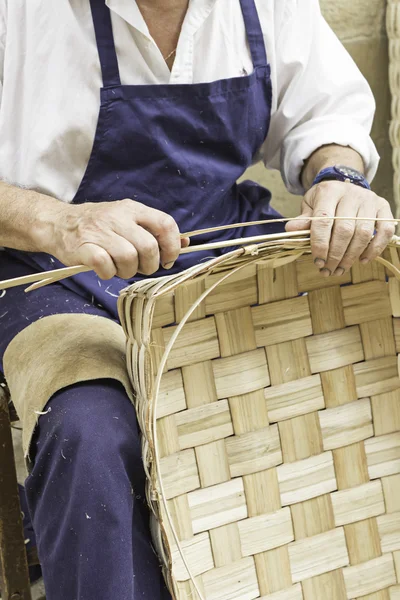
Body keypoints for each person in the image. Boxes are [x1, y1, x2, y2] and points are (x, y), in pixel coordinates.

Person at [0, 1, 395, 598]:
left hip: (213, 255)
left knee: (324, 386)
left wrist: (339, 179)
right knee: (90, 433)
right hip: (55, 272)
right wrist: (57, 222)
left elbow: (325, 116)